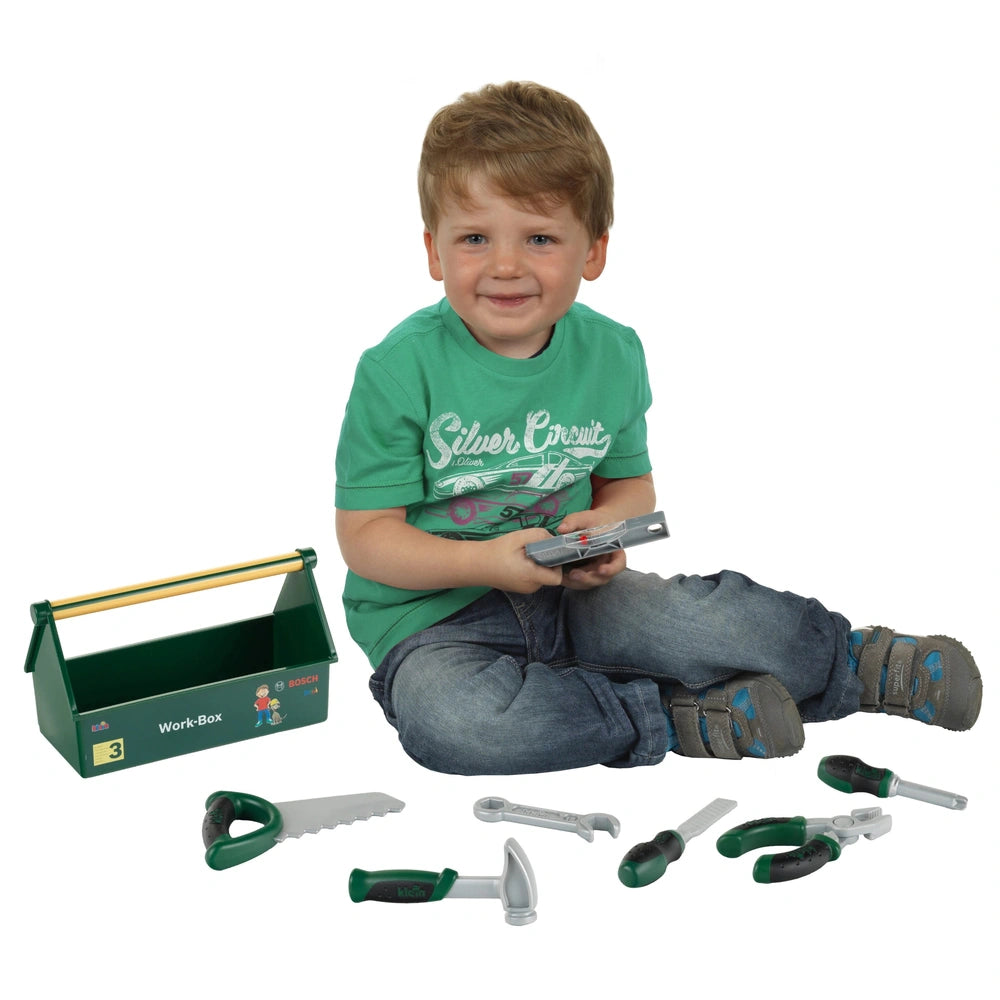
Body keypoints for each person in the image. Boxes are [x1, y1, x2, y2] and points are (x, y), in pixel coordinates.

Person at [334, 81, 982, 775]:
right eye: (474, 238)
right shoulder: (398, 371)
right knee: (454, 724)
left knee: (693, 620)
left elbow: (630, 485)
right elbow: (366, 539)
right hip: (434, 624)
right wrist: (483, 564)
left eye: (540, 237)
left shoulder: (612, 355)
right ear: (434, 251)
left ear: (593, 252)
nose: (506, 266)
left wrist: (604, 530)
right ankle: (675, 716)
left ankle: (855, 665)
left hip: (571, 593)